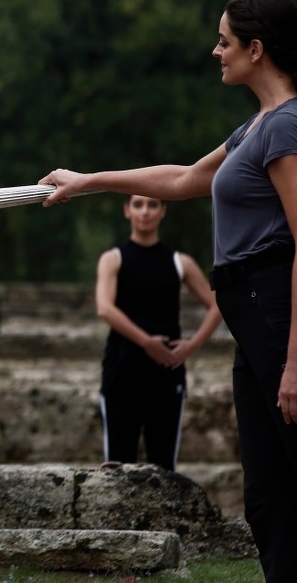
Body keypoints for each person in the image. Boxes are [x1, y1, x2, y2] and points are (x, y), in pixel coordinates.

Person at [38, 0, 297, 583]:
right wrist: (90, 180)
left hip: (282, 317)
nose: (215, 50)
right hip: (256, 321)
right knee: (270, 496)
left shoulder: (292, 123)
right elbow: (185, 178)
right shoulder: (258, 125)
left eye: (225, 40)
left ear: (256, 49)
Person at [97, 195, 223, 472]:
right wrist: (145, 342)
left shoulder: (180, 262)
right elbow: (104, 308)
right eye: (138, 205)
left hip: (167, 372)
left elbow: (218, 304)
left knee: (164, 466)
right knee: (117, 466)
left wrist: (192, 345)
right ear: (127, 210)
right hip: (122, 370)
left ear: (163, 211)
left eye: (152, 205)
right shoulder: (112, 259)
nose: (145, 211)